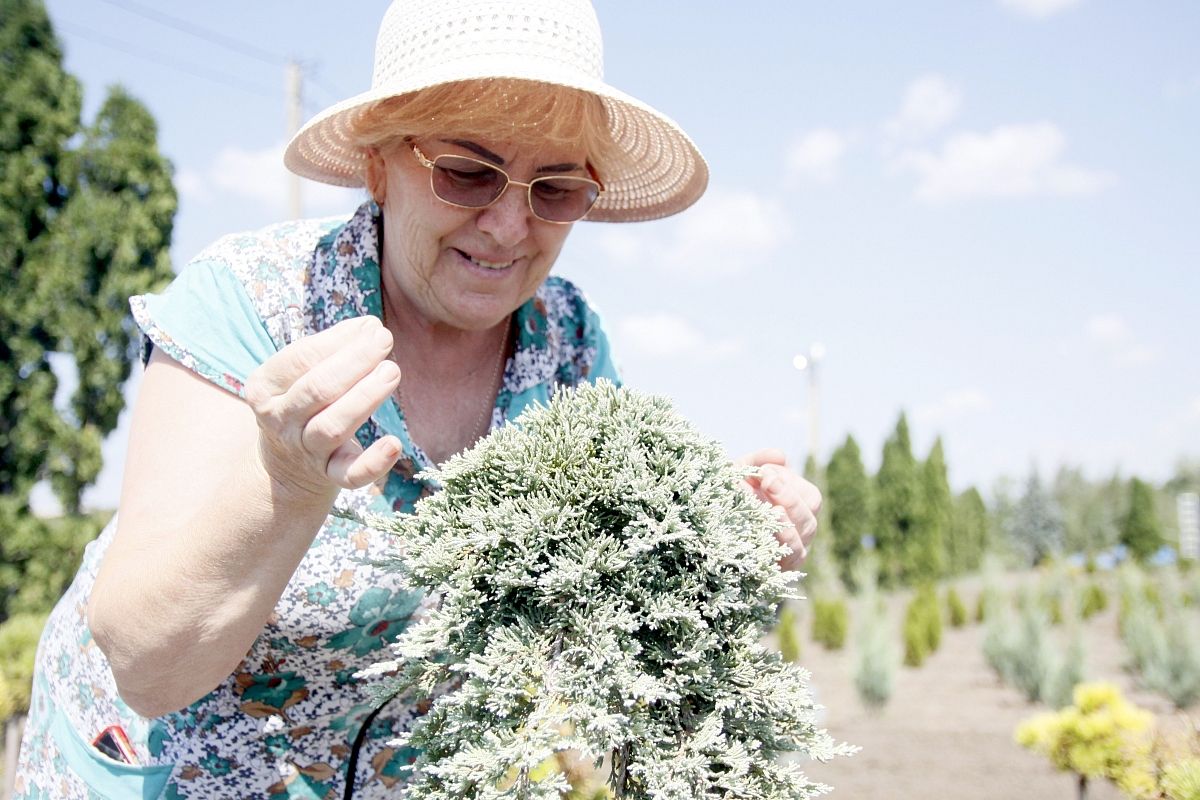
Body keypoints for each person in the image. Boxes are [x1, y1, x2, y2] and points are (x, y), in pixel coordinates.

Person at [14, 0, 822, 796]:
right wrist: (286, 486)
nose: (509, 226)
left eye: (557, 189)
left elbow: (604, 603)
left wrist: (720, 538)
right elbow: (148, 668)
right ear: (378, 164)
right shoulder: (253, 303)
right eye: (468, 172)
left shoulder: (568, 341)